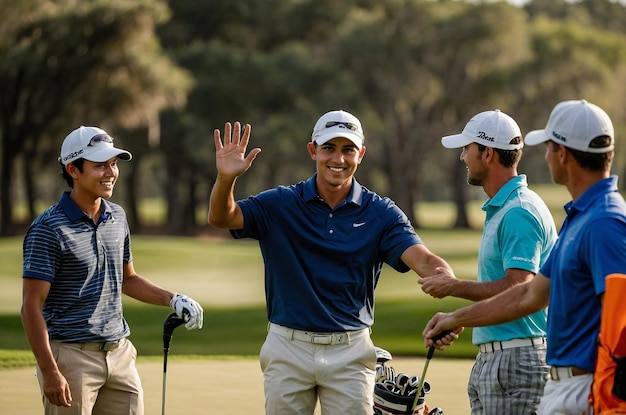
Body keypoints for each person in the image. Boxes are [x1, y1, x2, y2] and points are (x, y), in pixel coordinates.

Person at [208, 110, 456, 414]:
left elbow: (425, 260)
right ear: (313, 150)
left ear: (361, 154)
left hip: (350, 351)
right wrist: (225, 179)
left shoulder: (380, 213)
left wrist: (447, 279)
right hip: (288, 346)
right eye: (329, 148)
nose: (338, 159)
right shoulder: (281, 203)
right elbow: (222, 218)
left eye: (348, 149)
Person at [423, 99, 626, 415]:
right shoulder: (580, 218)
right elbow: (530, 294)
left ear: (563, 153)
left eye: (548, 146)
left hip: (589, 389)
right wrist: (455, 317)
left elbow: (620, 319)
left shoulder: (604, 222)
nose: (544, 156)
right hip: (564, 385)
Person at [21, 126, 204, 415]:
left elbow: (127, 279)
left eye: (113, 164)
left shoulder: (116, 216)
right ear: (73, 169)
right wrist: (50, 370)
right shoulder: (48, 228)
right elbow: (31, 306)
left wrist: (173, 298)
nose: (110, 172)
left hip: (120, 354)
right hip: (70, 357)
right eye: (100, 166)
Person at [418, 109, 557, 414]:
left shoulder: (519, 211)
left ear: (488, 154)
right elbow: (506, 292)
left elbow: (519, 287)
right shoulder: (504, 207)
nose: (462, 157)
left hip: (517, 362)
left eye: (466, 149)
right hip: (498, 360)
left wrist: (455, 296)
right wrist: (464, 319)